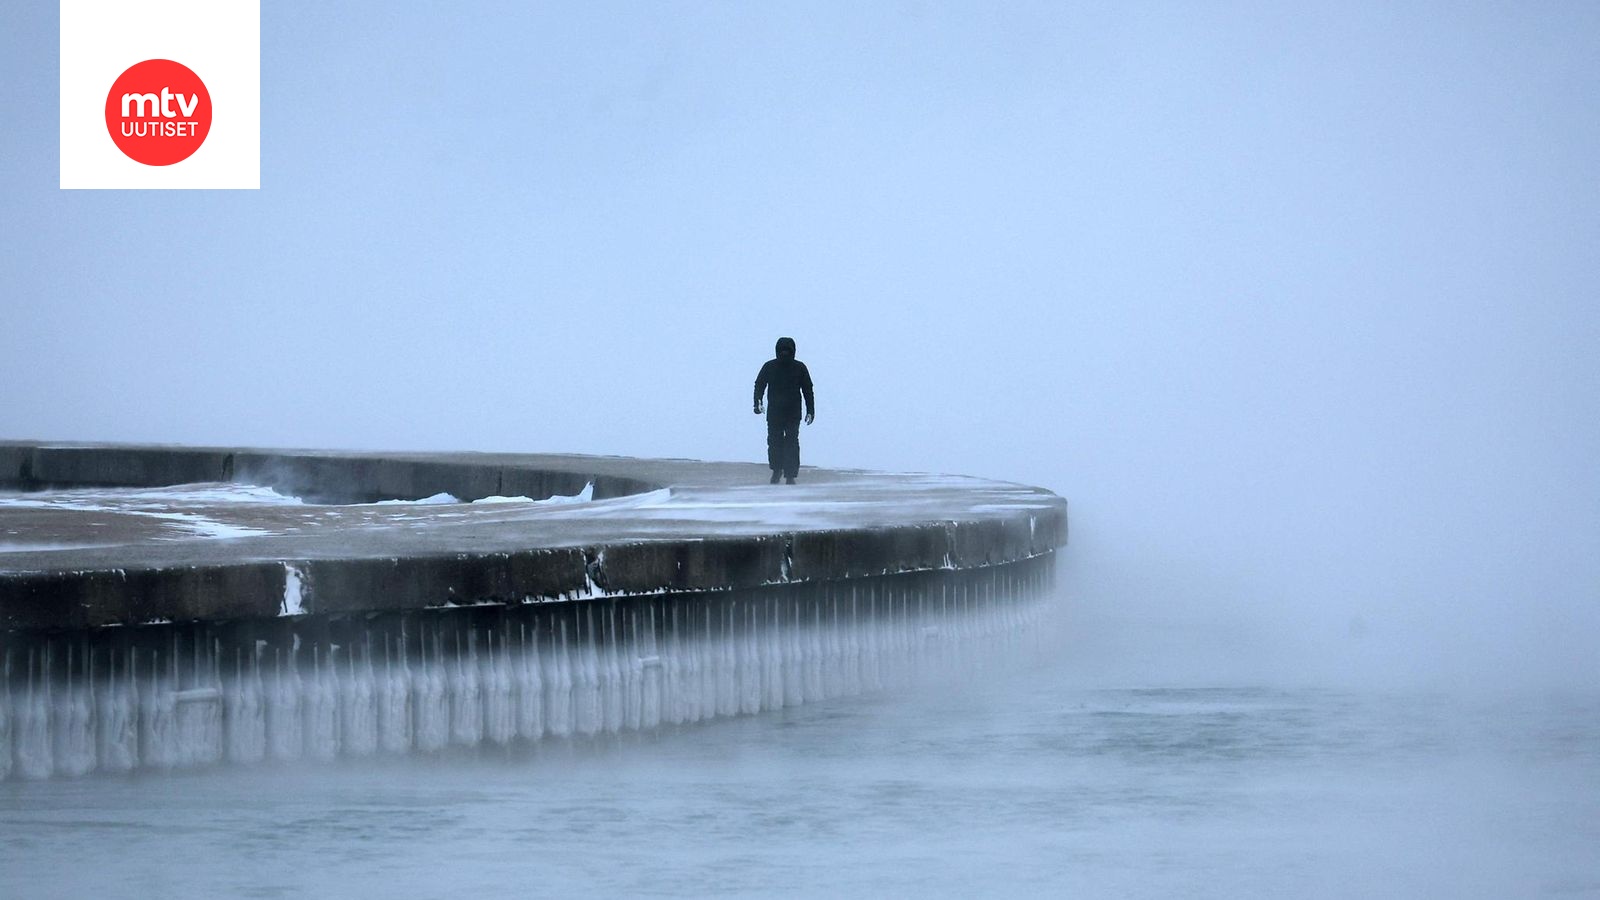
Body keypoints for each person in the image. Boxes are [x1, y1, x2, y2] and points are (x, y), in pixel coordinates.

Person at [753, 336, 815, 484]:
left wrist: (811, 410)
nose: (785, 353)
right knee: (775, 441)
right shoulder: (769, 366)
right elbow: (759, 385)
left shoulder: (800, 367)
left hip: (793, 412)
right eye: (782, 351)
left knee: (791, 441)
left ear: (793, 351)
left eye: (788, 351)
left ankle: (790, 474)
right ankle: (777, 470)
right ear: (777, 351)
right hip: (775, 411)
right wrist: (757, 403)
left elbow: (808, 389)